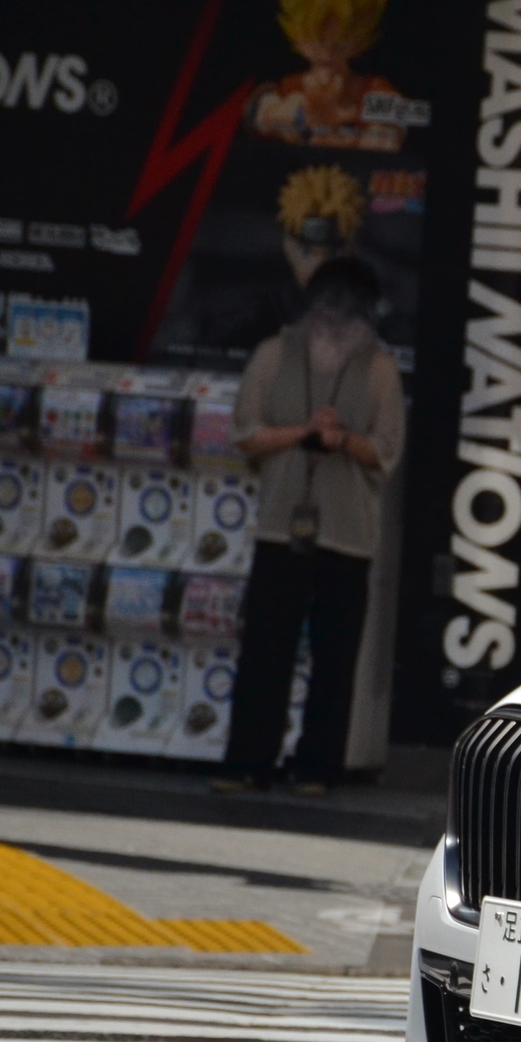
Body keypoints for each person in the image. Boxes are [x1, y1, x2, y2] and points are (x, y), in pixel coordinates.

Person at [215, 255, 405, 794]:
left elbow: (386, 453)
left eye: (349, 310)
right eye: (327, 305)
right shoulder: (273, 355)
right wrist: (302, 432)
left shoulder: (380, 369)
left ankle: (316, 765)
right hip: (280, 527)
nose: (335, 319)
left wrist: (343, 440)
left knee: (336, 655)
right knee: (265, 649)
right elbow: (246, 435)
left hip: (347, 534)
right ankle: (248, 759)